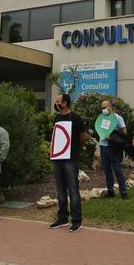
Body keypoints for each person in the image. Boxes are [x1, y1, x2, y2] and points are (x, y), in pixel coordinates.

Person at [47, 93, 89, 232]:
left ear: (64, 103)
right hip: (58, 158)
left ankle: (77, 220)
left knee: (73, 190)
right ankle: (63, 218)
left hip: (70, 158)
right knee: (60, 190)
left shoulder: (76, 118)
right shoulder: (57, 118)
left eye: (58, 101)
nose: (56, 103)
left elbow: (83, 137)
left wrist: (75, 147)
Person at [97, 99, 129, 199]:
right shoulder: (101, 118)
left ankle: (123, 192)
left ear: (111, 107)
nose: (103, 110)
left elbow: (124, 133)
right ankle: (110, 191)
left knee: (117, 170)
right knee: (107, 170)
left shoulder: (118, 118)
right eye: (102, 108)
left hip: (113, 148)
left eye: (105, 107)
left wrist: (112, 138)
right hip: (103, 146)